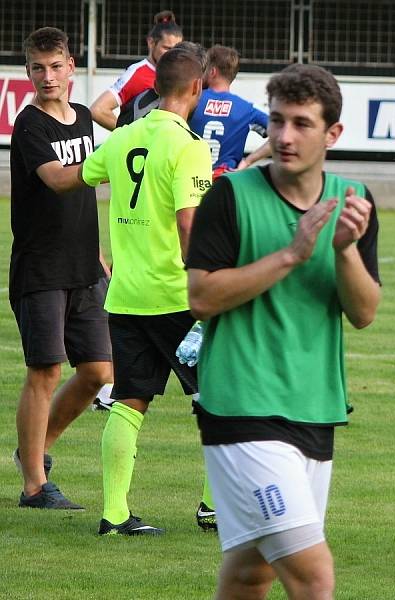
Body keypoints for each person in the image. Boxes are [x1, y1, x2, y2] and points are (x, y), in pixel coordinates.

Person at [186, 63, 380, 599]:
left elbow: (363, 312)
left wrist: (343, 251)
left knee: (252, 572)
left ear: (333, 134)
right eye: (276, 122)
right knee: (312, 574)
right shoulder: (230, 197)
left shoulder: (354, 199)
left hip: (316, 408)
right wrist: (292, 254)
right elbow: (201, 296)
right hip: (242, 408)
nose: (285, 137)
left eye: (301, 123)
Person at [48, 47, 214, 535]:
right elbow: (189, 225)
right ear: (197, 88)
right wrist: (210, 285)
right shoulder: (189, 146)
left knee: (129, 401)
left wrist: (37, 156)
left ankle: (115, 514)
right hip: (177, 297)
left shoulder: (123, 138)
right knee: (222, 399)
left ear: (156, 85)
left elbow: (69, 179)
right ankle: (213, 507)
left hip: (125, 296)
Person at [9, 27, 113, 510]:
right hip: (41, 268)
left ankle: (35, 451)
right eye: (37, 67)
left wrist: (95, 255)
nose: (47, 76)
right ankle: (34, 486)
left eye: (55, 66)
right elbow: (57, 179)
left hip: (83, 266)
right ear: (27, 71)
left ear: (71, 66)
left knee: (97, 373)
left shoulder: (84, 119)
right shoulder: (30, 125)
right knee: (45, 370)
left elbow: (84, 198)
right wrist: (111, 160)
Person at [189, 44, 272, 179]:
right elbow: (279, 135)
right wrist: (247, 161)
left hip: (191, 179)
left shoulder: (192, 100)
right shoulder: (246, 109)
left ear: (212, 72)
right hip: (225, 182)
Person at [89, 10, 182, 130]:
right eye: (166, 48)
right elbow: (98, 110)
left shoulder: (181, 73)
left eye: (177, 49)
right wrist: (132, 135)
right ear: (151, 43)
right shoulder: (137, 73)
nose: (172, 54)